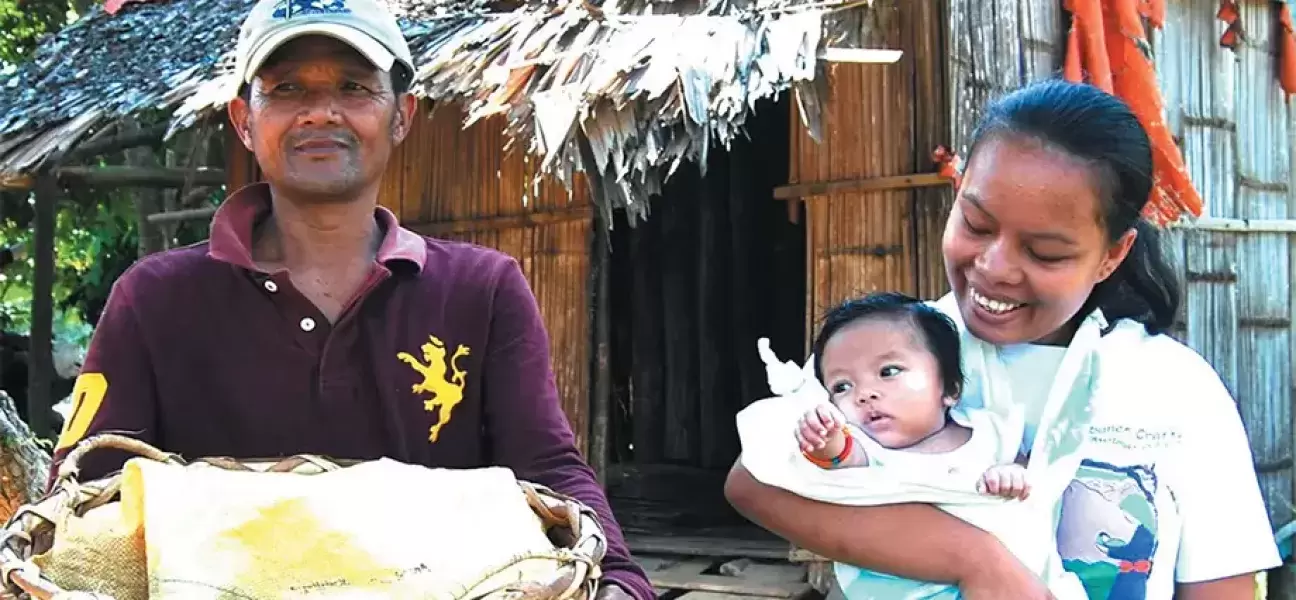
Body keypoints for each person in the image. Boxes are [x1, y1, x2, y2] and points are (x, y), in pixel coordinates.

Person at [46, 0, 652, 598]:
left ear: (401, 116)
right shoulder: (155, 301)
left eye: (354, 86)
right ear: (243, 120)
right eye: (285, 89)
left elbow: (547, 468)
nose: (320, 112)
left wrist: (620, 579)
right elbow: (82, 498)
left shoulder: (482, 290)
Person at [725, 79, 1281, 600]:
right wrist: (977, 561)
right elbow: (754, 483)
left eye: (1044, 253)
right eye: (976, 224)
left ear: (1113, 254)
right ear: (959, 189)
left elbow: (1221, 584)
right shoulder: (886, 351)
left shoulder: (1174, 386)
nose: (994, 268)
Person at [794, 292, 1029, 501]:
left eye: (888, 372)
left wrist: (1013, 474)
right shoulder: (869, 451)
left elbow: (1031, 473)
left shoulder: (990, 429)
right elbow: (839, 457)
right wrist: (823, 436)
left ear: (950, 389)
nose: (863, 394)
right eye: (842, 386)